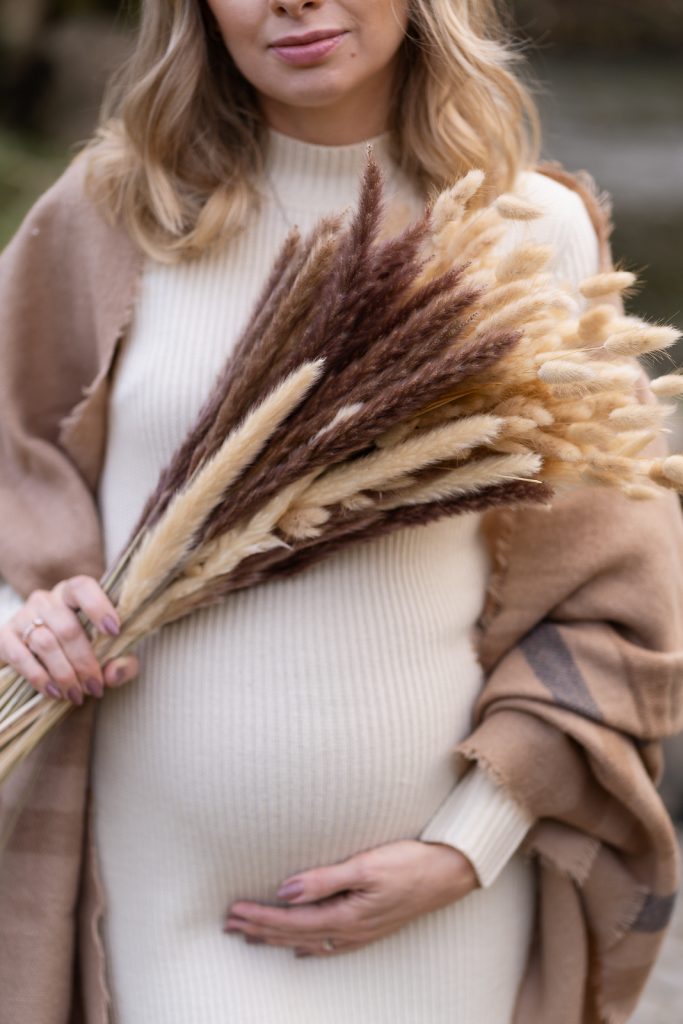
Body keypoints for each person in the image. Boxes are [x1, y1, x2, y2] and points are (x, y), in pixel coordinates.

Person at [0, 2, 682, 1023]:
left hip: (432, 928)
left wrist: (468, 845)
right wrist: (22, 613)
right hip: (146, 907)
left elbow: (615, 600)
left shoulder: (526, 237)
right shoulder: (118, 213)